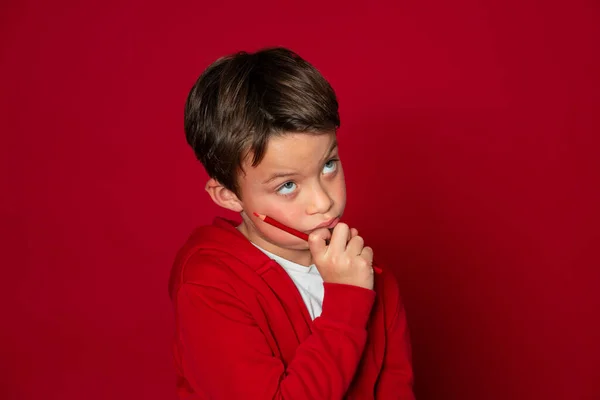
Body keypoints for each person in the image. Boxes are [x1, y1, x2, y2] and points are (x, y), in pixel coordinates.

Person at [169, 47, 414, 399]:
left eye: (328, 165)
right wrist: (347, 302)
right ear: (228, 196)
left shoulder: (372, 275)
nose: (324, 201)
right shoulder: (208, 288)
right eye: (287, 186)